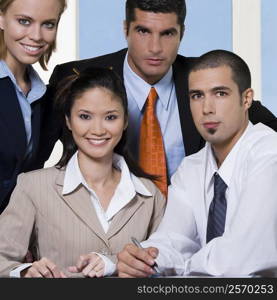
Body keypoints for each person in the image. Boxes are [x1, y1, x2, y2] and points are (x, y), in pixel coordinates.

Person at [43, 0, 277, 196]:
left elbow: (266, 129)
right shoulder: (76, 77)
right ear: (126, 29)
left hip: (192, 231)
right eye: (143, 31)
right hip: (102, 230)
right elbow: (31, 157)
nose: (155, 48)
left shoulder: (203, 79)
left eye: (167, 34)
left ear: (181, 33)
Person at [116, 50, 277, 278]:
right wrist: (145, 259)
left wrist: (180, 266)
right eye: (196, 96)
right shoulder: (192, 167)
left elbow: (238, 261)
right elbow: (173, 239)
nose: (206, 108)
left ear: (246, 99)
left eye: (220, 93)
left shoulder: (270, 153)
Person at [0, 67, 166, 278]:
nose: (97, 130)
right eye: (85, 116)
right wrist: (25, 273)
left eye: (110, 117)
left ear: (125, 121)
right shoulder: (33, 187)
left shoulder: (150, 195)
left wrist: (113, 263)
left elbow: (166, 265)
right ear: (68, 121)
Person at [0, 0, 67, 213]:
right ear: (1, 17)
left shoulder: (43, 95)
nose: (37, 36)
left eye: (48, 24)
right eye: (24, 21)